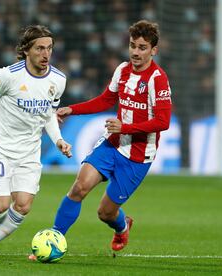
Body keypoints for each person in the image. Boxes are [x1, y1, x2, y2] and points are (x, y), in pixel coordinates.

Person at [48, 20, 171, 254]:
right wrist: (72, 109)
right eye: (133, 45)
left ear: (154, 50)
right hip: (112, 144)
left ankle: (122, 226)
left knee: (105, 213)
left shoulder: (158, 79)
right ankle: (53, 240)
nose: (135, 51)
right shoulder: (123, 70)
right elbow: (105, 100)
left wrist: (124, 127)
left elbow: (162, 122)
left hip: (137, 156)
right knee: (79, 188)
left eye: (142, 47)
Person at [0, 25, 72, 260]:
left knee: (22, 205)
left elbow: (49, 115)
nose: (46, 54)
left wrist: (59, 140)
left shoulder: (58, 80)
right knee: (0, 205)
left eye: (49, 48)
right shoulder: (8, 75)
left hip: (30, 152)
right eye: (40, 48)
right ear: (26, 50)